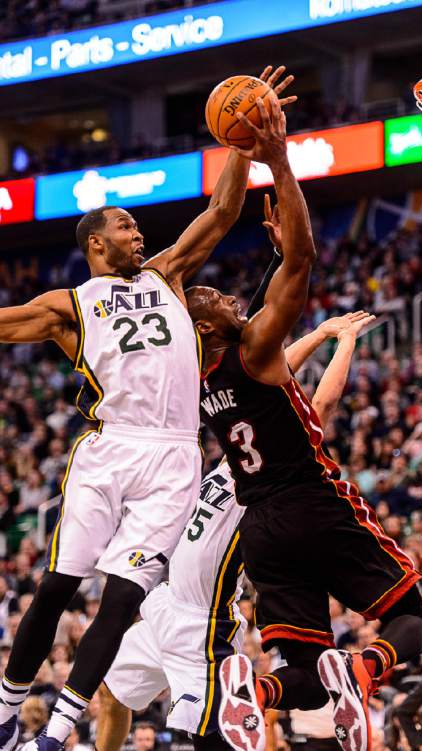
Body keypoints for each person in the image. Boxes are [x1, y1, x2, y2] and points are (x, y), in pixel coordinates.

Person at [0, 65, 295, 751]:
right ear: (95, 243)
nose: (140, 234)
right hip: (110, 448)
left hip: (173, 453)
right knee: (56, 585)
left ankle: (60, 727)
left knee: (125, 595)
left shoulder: (167, 272)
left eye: (139, 227)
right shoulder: (64, 306)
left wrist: (245, 141)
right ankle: (8, 710)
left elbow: (221, 214)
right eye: (126, 227)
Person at [185, 98, 422, 751]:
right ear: (210, 327)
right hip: (312, 502)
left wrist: (308, 310)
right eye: (218, 298)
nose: (231, 296)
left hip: (261, 528)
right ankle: (364, 670)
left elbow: (279, 298)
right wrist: (277, 160)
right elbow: (302, 263)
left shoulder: (207, 375)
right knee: (413, 617)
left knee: (303, 671)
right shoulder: (256, 352)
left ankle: (256, 689)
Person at [95, 197, 372, 751]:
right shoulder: (230, 437)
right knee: (111, 693)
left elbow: (315, 400)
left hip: (205, 619)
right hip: (166, 603)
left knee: (214, 736)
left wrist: (334, 340)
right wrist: (322, 338)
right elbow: (268, 375)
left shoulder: (269, 485)